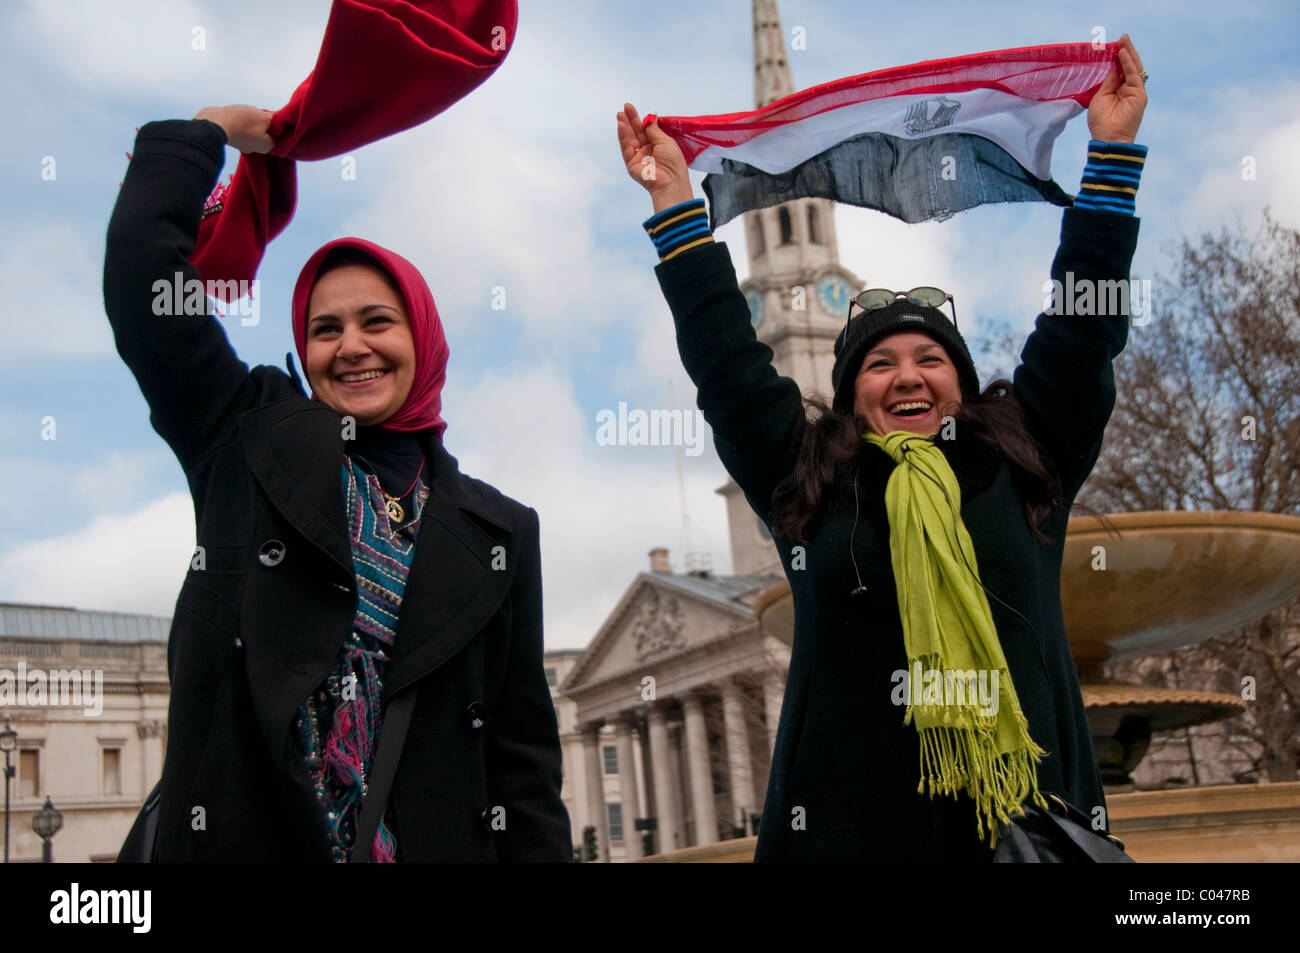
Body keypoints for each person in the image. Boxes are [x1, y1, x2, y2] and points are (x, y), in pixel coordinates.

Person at [617, 37, 1149, 861]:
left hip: (1024, 839)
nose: (907, 376)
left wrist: (1113, 153)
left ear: (960, 384)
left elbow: (1084, 334)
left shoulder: (1024, 467)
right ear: (850, 394)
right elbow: (729, 368)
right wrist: (675, 208)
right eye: (879, 363)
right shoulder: (809, 486)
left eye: (930, 358)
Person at [107, 105, 571, 862]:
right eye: (325, 330)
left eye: (377, 321)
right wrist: (209, 133)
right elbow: (141, 281)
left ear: (421, 336)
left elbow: (523, 770)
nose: (351, 347)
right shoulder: (246, 437)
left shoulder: (503, 529)